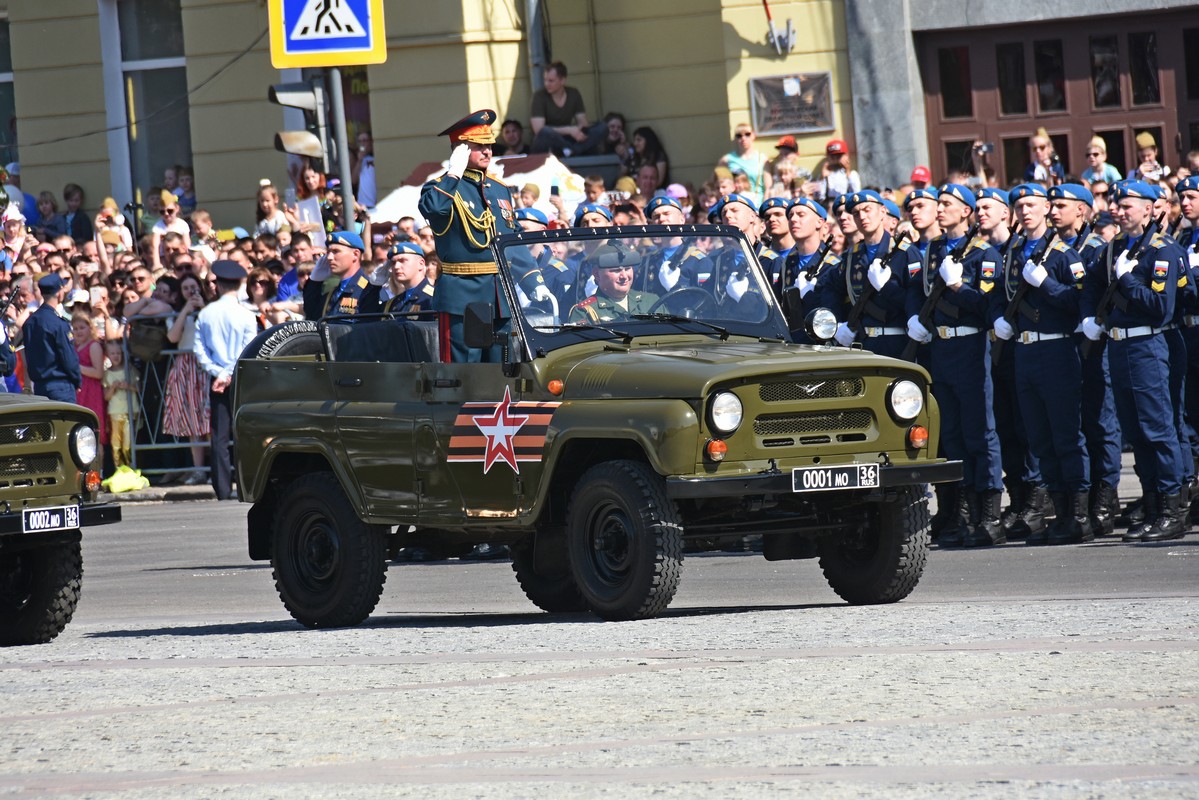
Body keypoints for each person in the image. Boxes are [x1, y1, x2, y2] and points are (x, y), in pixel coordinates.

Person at [1081, 180, 1186, 541]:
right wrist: (1089, 318)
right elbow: (1091, 285)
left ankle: (1173, 511)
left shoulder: (1162, 251)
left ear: (1148, 207)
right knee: (1136, 432)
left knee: (1158, 430)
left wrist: (1127, 281)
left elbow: (1161, 308)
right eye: (1117, 205)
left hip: (1149, 346)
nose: (1120, 211)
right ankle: (1154, 507)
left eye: (1128, 205)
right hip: (1118, 346)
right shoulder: (1113, 250)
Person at [905, 183, 1004, 547]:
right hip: (941, 347)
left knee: (980, 431)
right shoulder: (930, 251)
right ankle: (963, 512)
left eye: (947, 204)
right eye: (939, 203)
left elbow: (989, 306)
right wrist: (915, 316)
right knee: (953, 434)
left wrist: (959, 287)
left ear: (966, 212)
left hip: (970, 345)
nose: (940, 208)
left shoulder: (984, 253)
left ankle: (989, 515)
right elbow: (916, 289)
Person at [993, 184, 1091, 544]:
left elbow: (1080, 302)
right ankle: (1057, 513)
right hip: (1024, 351)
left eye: (1031, 204)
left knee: (1065, 434)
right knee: (1039, 437)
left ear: (1047, 208)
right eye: (1019, 205)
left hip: (1056, 350)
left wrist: (1046, 284)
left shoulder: (1063, 253)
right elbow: (997, 295)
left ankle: (1078, 515)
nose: (1024, 211)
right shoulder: (1014, 252)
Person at [418, 109, 550, 361]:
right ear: (461, 150)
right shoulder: (440, 187)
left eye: (489, 145)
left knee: (503, 368)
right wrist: (453, 174)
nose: (488, 151)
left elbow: (512, 240)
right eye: (479, 146)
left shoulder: (499, 190)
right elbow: (433, 209)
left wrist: (533, 281)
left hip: (499, 295)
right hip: (462, 298)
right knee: (466, 375)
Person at [818, 190, 920, 360]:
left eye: (867, 210)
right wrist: (836, 324)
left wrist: (886, 288)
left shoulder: (905, 252)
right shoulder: (852, 256)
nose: (862, 217)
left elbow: (915, 295)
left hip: (896, 342)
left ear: (882, 212)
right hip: (862, 343)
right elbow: (831, 288)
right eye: (856, 213)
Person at [193, 260, 257, 500]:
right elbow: (246, 349)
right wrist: (229, 373)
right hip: (239, 379)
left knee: (219, 436)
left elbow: (199, 351)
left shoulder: (206, 314)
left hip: (218, 379)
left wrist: (219, 373)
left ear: (217, 285)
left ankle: (222, 488)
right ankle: (245, 485)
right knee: (242, 433)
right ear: (240, 284)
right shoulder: (245, 315)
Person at [21, 273, 80, 402]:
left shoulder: (30, 322)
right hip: (60, 386)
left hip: (39, 387)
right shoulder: (58, 323)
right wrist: (77, 379)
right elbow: (67, 357)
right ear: (59, 293)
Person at [529, 62, 606, 156]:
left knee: (602, 127)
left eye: (551, 81)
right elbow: (538, 130)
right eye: (545, 80)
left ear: (562, 81)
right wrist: (569, 130)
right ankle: (572, 149)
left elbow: (583, 122)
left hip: (569, 138)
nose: (546, 84)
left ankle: (570, 150)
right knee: (545, 132)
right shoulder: (539, 96)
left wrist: (579, 132)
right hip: (550, 140)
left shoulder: (573, 93)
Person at [568, 242, 659, 323]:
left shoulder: (650, 302)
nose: (624, 276)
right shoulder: (585, 311)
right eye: (616, 271)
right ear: (597, 274)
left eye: (627, 269)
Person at [638, 196, 710, 296]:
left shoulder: (699, 261)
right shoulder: (648, 261)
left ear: (682, 219)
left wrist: (675, 288)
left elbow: (706, 302)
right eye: (656, 217)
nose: (661, 219)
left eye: (666, 214)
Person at [302, 230, 372, 320]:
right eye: (328, 252)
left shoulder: (368, 291)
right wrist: (314, 283)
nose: (329, 257)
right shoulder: (333, 292)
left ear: (355, 254)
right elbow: (312, 317)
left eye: (336, 251)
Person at [362, 241, 435, 314]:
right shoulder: (393, 303)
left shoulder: (434, 298)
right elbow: (366, 317)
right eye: (393, 263)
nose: (396, 267)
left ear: (421, 264)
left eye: (402, 261)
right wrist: (374, 286)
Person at [102, 338, 139, 469]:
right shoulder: (107, 374)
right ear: (108, 355)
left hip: (129, 411)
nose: (116, 356)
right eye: (113, 353)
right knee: (116, 443)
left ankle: (129, 468)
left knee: (128, 443)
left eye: (118, 353)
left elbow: (139, 387)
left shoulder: (130, 370)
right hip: (115, 413)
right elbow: (106, 396)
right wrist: (113, 388)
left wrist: (128, 386)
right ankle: (118, 468)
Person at [718, 124, 771, 199]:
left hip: (757, 202)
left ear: (753, 135)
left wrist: (764, 207)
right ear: (736, 138)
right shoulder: (726, 160)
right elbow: (718, 184)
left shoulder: (762, 159)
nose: (743, 138)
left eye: (747, 134)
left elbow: (768, 187)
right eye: (739, 136)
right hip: (736, 202)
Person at [351, 130, 376, 208]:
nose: (362, 144)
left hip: (376, 202)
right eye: (360, 141)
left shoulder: (376, 157)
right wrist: (359, 161)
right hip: (363, 204)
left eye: (364, 141)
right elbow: (353, 180)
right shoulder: (360, 159)